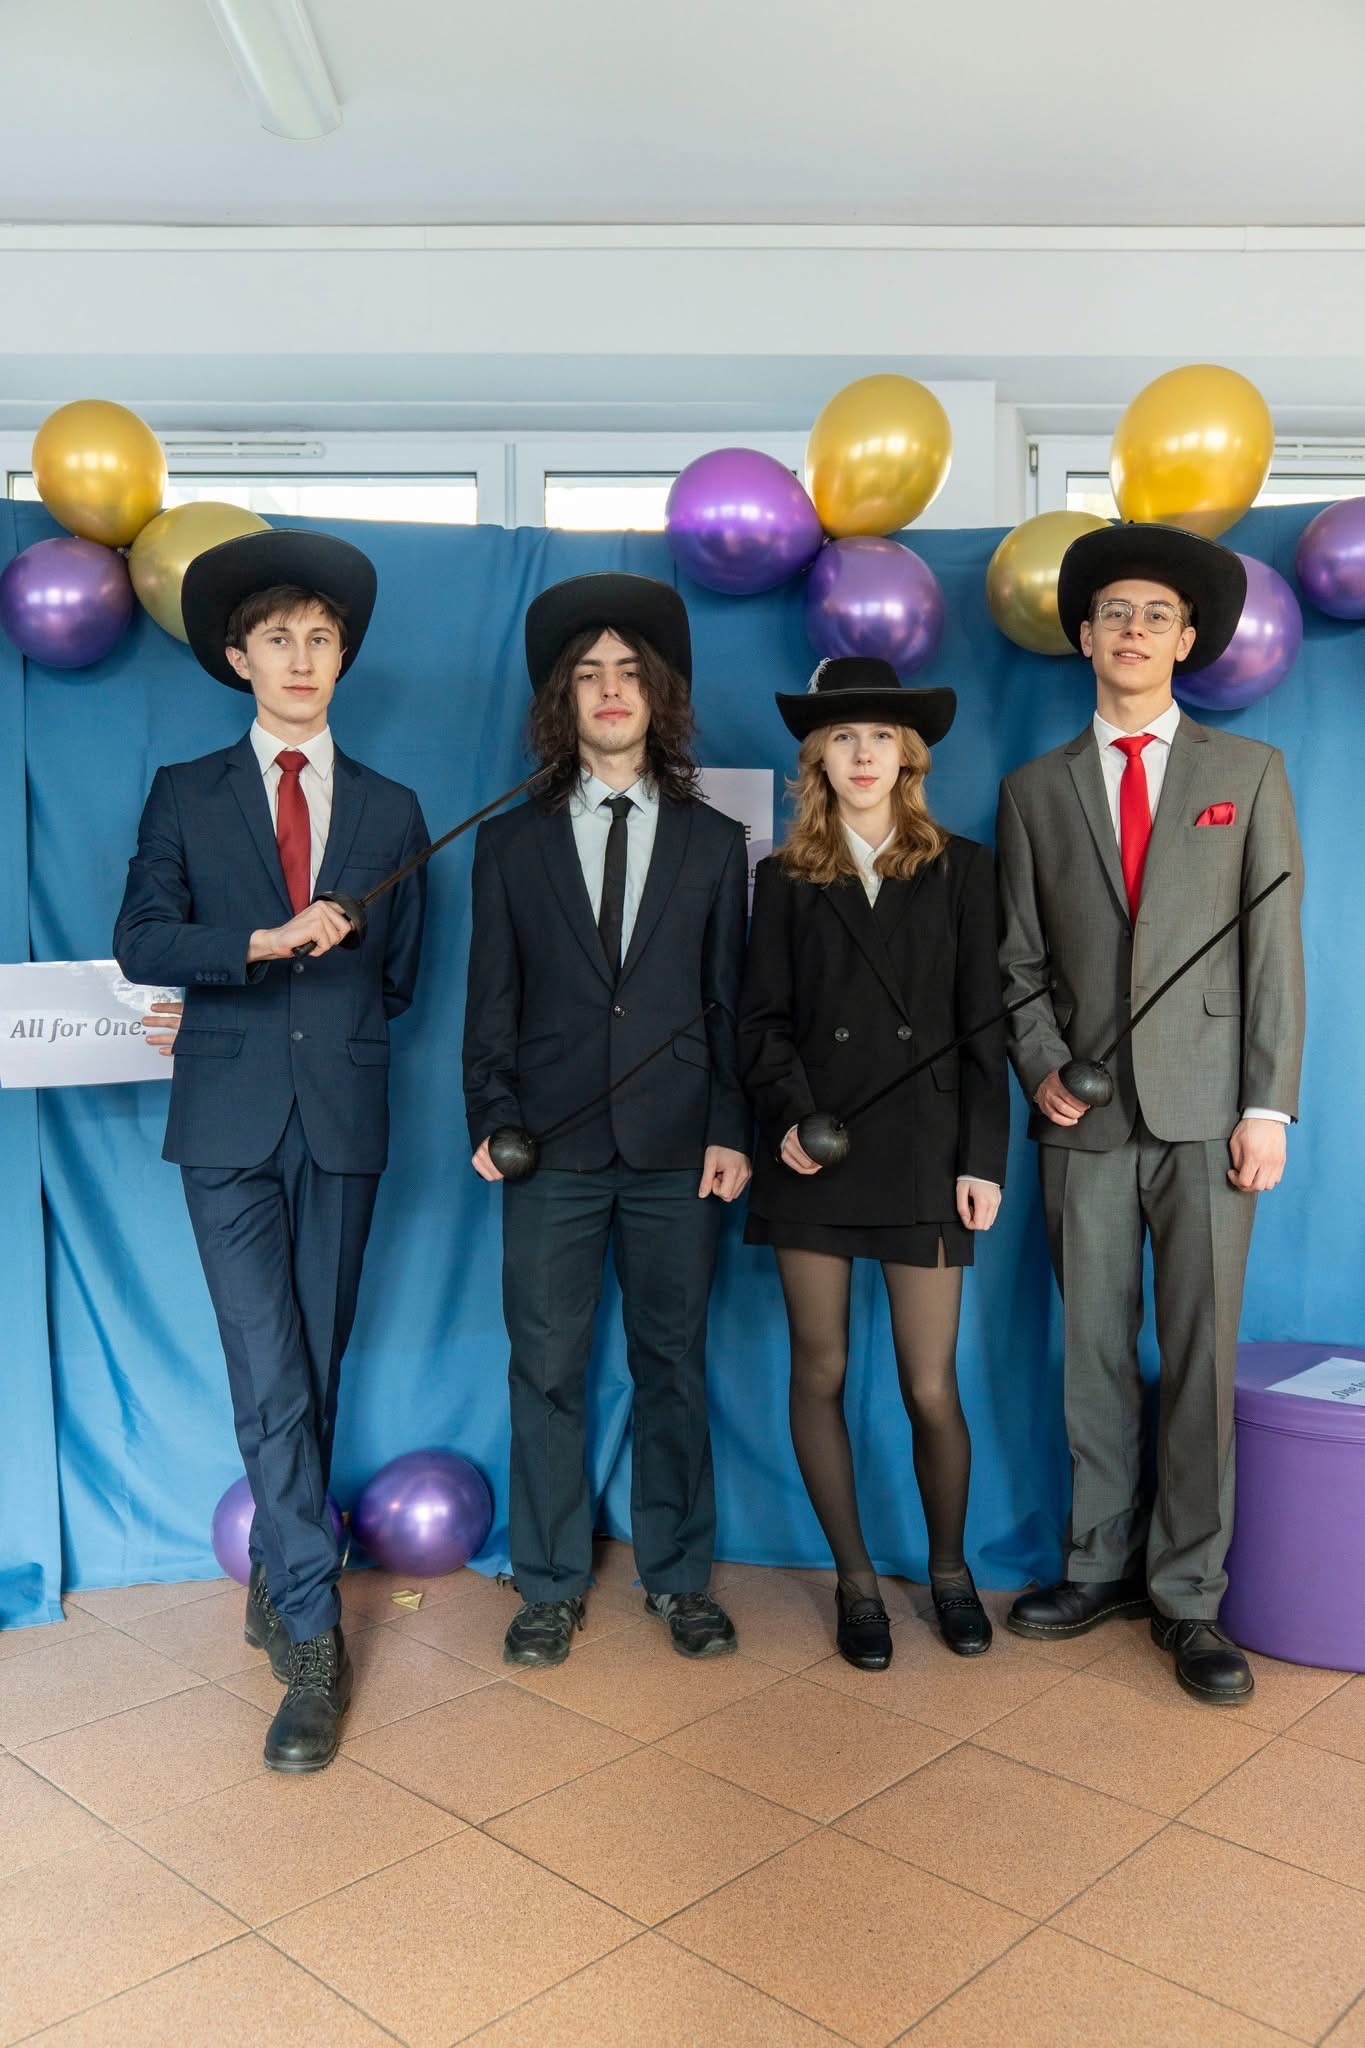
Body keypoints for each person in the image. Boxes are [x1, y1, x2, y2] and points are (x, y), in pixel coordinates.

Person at [114, 529, 428, 1770]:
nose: (302, 656)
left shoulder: (394, 809)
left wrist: (324, 1001)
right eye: (279, 638)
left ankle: (279, 1565)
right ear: (239, 658)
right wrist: (260, 942)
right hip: (227, 1124)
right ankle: (310, 1632)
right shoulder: (184, 793)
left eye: (322, 637)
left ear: (342, 658)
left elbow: (397, 978)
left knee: (316, 1360)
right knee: (269, 1368)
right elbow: (144, 938)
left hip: (342, 1117)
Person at [996, 521, 1305, 1704]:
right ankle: (1097, 1563)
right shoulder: (1034, 791)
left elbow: (1275, 956)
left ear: (1186, 640)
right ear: (1084, 638)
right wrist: (1040, 1065)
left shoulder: (1249, 774)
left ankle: (1189, 1594)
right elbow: (1018, 961)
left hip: (1211, 1116)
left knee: (1199, 1353)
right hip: (1081, 1121)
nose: (1133, 629)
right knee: (1089, 1350)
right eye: (1114, 612)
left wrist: (1267, 1104)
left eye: (1156, 615)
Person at [463, 572, 751, 1668]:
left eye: (630, 672)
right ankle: (546, 1580)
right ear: (564, 700)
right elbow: (489, 1002)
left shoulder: (715, 843)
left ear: (659, 694)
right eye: (589, 674)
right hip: (549, 1149)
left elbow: (728, 1003)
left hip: (679, 1149)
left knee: (672, 1363)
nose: (611, 688)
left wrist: (730, 1127)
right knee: (545, 1365)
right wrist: (491, 1114)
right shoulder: (510, 844)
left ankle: (678, 1576)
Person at [738, 657, 1009, 1670]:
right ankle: (855, 1584)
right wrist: (794, 1117)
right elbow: (761, 1023)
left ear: (909, 756)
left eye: (881, 736)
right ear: (818, 756)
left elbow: (986, 1027)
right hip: (814, 1152)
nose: (862, 754)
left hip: (927, 1154)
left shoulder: (965, 868)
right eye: (843, 737)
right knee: (820, 1367)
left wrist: (984, 1159)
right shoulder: (781, 876)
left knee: (929, 1384)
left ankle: (949, 1571)